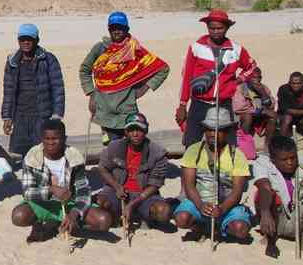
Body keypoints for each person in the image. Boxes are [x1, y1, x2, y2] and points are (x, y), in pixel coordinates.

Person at [10, 119, 111, 243]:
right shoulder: (32, 157)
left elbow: (83, 192)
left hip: (70, 204)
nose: (51, 143)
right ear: (41, 139)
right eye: (47, 139)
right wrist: (51, 190)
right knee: (18, 216)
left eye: (55, 139)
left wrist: (74, 214)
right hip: (44, 204)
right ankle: (56, 224)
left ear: (64, 138)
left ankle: (60, 225)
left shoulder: (74, 157)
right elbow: (27, 193)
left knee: (103, 221)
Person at [79, 11, 169, 144]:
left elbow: (163, 69)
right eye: (114, 28)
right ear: (109, 29)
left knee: (131, 148)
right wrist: (91, 93)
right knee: (111, 150)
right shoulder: (100, 48)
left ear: (127, 29)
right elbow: (85, 70)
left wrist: (145, 88)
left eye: (120, 28)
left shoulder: (135, 50)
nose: (117, 31)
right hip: (104, 110)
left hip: (127, 109)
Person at [176, 9, 257, 147]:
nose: (215, 31)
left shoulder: (236, 50)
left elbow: (251, 66)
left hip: (224, 104)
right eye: (212, 28)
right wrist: (183, 105)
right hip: (199, 103)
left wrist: (237, 80)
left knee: (229, 144)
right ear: (207, 27)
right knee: (191, 143)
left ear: (227, 28)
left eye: (220, 28)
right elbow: (187, 77)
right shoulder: (196, 48)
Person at [175, 107, 252, 243]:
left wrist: (222, 209)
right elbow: (189, 185)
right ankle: (200, 225)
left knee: (240, 230)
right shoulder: (194, 151)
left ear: (227, 131)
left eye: (218, 130)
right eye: (209, 129)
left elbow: (237, 191)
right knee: (182, 218)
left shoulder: (237, 156)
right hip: (199, 202)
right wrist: (200, 205)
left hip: (226, 205)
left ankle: (221, 229)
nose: (212, 134)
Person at [253, 135, 303, 258]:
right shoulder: (262, 164)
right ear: (273, 159)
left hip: (299, 218)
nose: (290, 162)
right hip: (276, 219)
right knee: (264, 195)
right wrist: (265, 213)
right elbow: (264, 188)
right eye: (284, 159)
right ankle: (271, 239)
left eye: (293, 158)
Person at [95, 113, 172, 229]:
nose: (135, 134)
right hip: (118, 191)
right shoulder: (114, 147)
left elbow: (155, 184)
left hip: (144, 195)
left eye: (139, 130)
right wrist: (117, 187)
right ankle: (117, 216)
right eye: (131, 130)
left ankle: (141, 215)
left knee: (163, 211)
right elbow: (102, 168)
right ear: (126, 132)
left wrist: (133, 203)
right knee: (100, 202)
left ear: (146, 131)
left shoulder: (158, 153)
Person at [1, 23, 65, 157]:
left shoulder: (48, 59)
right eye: (22, 39)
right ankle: (28, 176)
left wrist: (57, 115)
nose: (25, 42)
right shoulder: (12, 62)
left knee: (44, 150)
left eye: (29, 39)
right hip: (20, 116)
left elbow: (58, 88)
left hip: (42, 115)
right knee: (23, 153)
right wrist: (7, 117)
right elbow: (8, 91)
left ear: (37, 40)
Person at [232, 67, 276, 146]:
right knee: (247, 117)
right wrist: (261, 111)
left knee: (273, 116)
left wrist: (263, 93)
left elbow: (271, 104)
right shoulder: (240, 88)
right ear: (248, 78)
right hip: (240, 117)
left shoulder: (264, 88)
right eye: (254, 77)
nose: (257, 80)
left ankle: (267, 147)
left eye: (259, 77)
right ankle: (244, 145)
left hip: (259, 116)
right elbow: (239, 108)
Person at [277, 71, 303, 150]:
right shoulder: (283, 89)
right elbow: (285, 109)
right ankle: (281, 145)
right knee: (287, 118)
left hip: (302, 117)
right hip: (286, 116)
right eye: (293, 83)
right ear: (289, 83)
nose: (295, 86)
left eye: (298, 83)